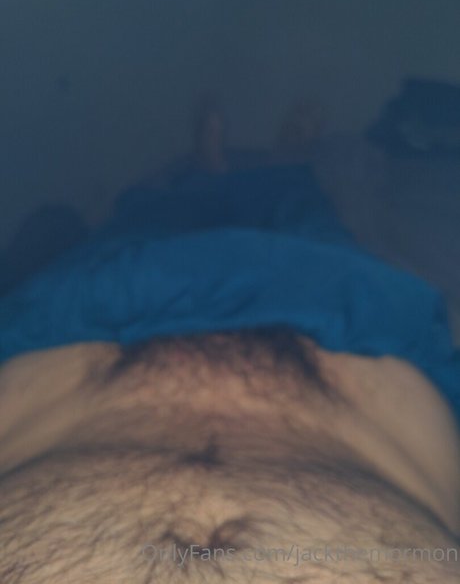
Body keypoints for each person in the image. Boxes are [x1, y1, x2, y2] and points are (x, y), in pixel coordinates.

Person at [0, 107, 459, 583]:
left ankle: (222, 171)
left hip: (79, 324)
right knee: (312, 230)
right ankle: (276, 168)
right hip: (355, 330)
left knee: (143, 227)